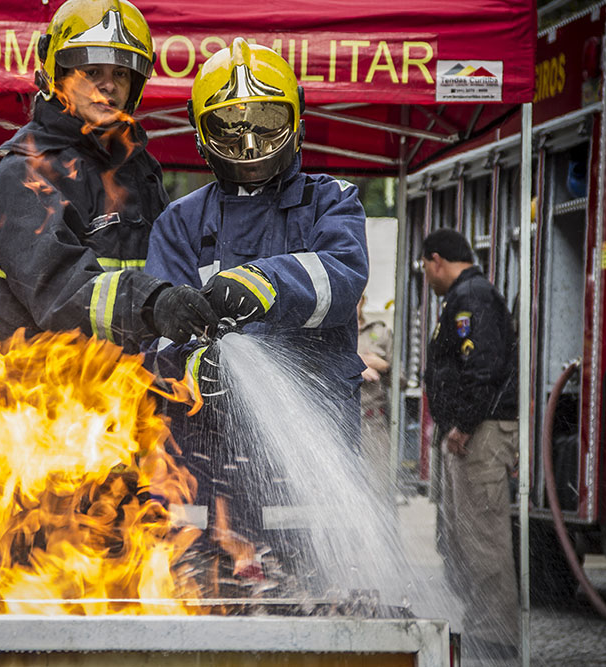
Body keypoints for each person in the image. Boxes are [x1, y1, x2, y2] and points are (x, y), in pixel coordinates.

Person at [145, 38, 368, 561]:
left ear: (297, 123)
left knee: (314, 591)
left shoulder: (330, 201)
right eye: (229, 127)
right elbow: (157, 332)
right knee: (204, 588)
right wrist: (197, 368)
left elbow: (342, 278)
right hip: (203, 451)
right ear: (202, 136)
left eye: (265, 123)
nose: (248, 144)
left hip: (311, 447)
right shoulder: (180, 222)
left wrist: (267, 281)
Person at [0, 0, 215, 352]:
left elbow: (168, 268)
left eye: (120, 73)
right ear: (59, 75)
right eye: (92, 71)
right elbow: (58, 288)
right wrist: (152, 304)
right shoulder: (25, 173)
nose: (108, 86)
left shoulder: (138, 172)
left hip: (126, 396)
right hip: (40, 396)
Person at [420, 228, 519, 660]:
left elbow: (483, 366)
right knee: (462, 540)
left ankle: (495, 639)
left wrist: (463, 423)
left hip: (478, 435)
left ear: (436, 259)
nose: (427, 277)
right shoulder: (463, 297)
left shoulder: (472, 298)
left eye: (425, 269)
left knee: (483, 539)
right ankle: (482, 626)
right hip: (468, 432)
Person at [357, 294, 393, 501]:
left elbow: (401, 381)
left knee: (378, 489)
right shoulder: (329, 334)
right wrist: (355, 365)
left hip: (372, 423)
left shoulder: (379, 333)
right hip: (339, 422)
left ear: (364, 300)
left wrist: (384, 366)